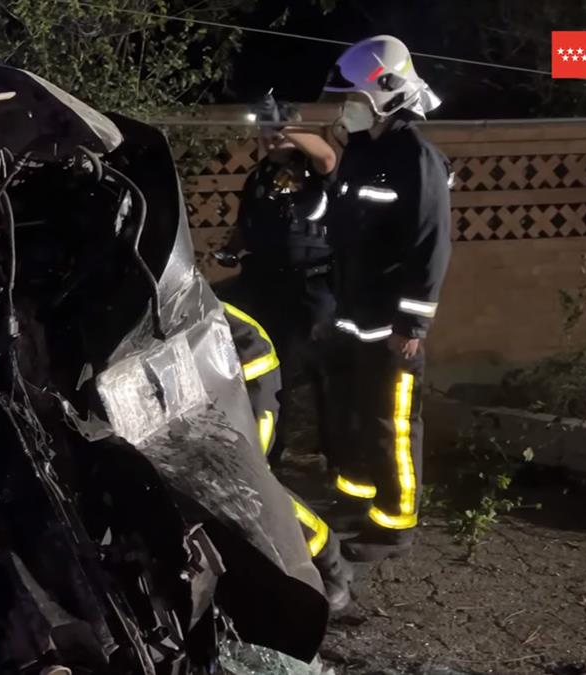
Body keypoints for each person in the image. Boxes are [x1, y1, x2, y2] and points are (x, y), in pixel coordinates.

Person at [318, 35, 454, 561]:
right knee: (354, 413)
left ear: (388, 95)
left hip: (392, 326)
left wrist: (412, 326)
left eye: (353, 100)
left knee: (390, 423)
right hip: (354, 315)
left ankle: (395, 524)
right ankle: (358, 501)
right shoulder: (364, 156)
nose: (345, 110)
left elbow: (430, 246)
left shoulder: (416, 158)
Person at [214, 92, 337, 469]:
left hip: (312, 285)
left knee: (323, 370)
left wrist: (287, 127)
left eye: (279, 131)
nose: (271, 138)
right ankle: (273, 454)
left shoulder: (312, 169)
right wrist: (230, 250)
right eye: (266, 131)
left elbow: (327, 155)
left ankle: (335, 455)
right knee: (270, 367)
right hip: (267, 284)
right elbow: (245, 224)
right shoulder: (258, 177)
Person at [223, 302, 354, 611]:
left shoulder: (159, 287)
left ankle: (331, 561)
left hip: (244, 375)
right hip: (188, 386)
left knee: (248, 481)